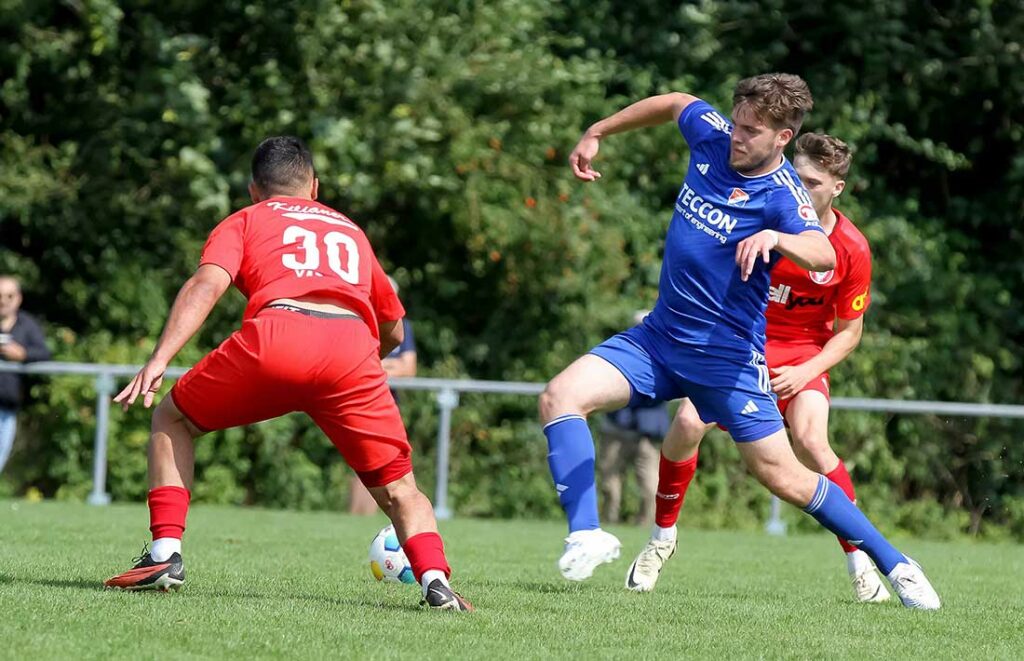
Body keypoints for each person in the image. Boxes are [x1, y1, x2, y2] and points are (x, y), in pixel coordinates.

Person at [540, 73, 940, 609]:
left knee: (785, 476)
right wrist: (597, 130)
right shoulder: (712, 135)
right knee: (559, 396)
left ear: (782, 137)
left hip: (726, 360)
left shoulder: (783, 196)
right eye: (738, 123)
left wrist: (778, 236)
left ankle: (896, 564)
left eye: (752, 130)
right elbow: (676, 101)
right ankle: (587, 534)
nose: (737, 136)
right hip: (658, 340)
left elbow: (823, 254)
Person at [104, 137, 471, 611]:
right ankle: (436, 582)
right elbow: (395, 329)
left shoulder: (246, 219)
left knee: (173, 418)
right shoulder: (349, 229)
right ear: (314, 187)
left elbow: (206, 284)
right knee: (402, 488)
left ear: (254, 190)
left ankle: (164, 554)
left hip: (278, 336)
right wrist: (352, 358)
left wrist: (158, 360)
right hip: (352, 351)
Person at [625, 133, 887, 602]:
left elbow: (848, 333)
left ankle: (860, 559)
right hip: (742, 347)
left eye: (814, 183)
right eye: (797, 178)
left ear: (837, 188)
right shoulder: (760, 217)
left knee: (811, 441)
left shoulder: (851, 249)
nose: (802, 190)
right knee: (686, 422)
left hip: (804, 357)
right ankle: (661, 540)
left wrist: (806, 372)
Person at [349, 275, 417, 515]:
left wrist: (377, 366)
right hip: (358, 399)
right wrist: (388, 367)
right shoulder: (358, 321)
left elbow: (409, 369)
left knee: (390, 465)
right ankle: (357, 517)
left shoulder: (403, 326)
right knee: (362, 464)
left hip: (389, 403)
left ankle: (386, 517)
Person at [598, 312, 667, 526]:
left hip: (645, 434)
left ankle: (647, 528)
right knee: (609, 483)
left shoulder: (668, 357)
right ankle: (607, 525)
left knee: (650, 486)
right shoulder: (620, 351)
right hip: (615, 430)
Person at [0, 276, 52, 475]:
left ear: (18, 298)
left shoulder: (27, 324)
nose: (3, 301)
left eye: (9, 295)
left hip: (8, 406)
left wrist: (22, 354)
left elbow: (45, 354)